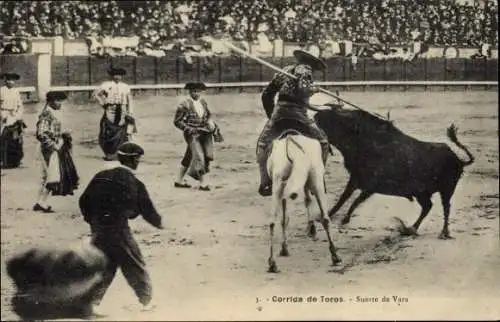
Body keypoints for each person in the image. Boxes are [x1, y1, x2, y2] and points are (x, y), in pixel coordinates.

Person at [79, 142, 164, 314]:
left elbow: (84, 200)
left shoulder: (101, 176)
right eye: (138, 159)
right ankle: (146, 302)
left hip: (98, 229)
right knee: (134, 262)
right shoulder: (132, 181)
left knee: (105, 265)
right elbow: (144, 208)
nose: (138, 162)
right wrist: (159, 223)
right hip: (118, 229)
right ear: (133, 160)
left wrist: (93, 221)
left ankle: (92, 303)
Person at [256, 49, 330, 197]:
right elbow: (303, 91)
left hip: (279, 114)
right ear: (312, 63)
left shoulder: (284, 70)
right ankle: (318, 178)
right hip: (299, 116)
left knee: (263, 143)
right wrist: (314, 89)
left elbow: (267, 94)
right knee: (323, 142)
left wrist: (271, 114)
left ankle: (265, 181)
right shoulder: (306, 71)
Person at [173, 82, 222, 191]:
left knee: (190, 156)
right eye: (194, 91)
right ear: (189, 92)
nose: (196, 93)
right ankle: (203, 183)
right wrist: (188, 129)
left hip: (204, 132)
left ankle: (178, 181)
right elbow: (177, 121)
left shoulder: (203, 102)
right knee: (200, 156)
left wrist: (210, 123)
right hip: (192, 134)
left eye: (198, 91)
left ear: (201, 92)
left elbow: (208, 116)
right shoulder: (184, 104)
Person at [33, 91, 71, 213]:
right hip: (48, 149)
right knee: (51, 176)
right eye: (57, 101)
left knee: (48, 176)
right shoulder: (46, 114)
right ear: (50, 102)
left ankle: (40, 202)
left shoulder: (53, 113)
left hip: (53, 147)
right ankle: (42, 202)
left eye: (61, 101)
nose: (60, 103)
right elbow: (41, 134)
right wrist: (54, 145)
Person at [94, 67, 136, 161]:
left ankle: (119, 153)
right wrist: (103, 103)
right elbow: (96, 95)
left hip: (122, 109)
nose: (117, 77)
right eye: (115, 75)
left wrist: (130, 112)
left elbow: (130, 100)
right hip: (110, 109)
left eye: (119, 75)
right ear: (112, 75)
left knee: (123, 131)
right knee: (108, 130)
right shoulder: (105, 85)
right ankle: (110, 153)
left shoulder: (125, 86)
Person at [0, 72, 26, 168]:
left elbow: (20, 105)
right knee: (3, 137)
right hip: (4, 115)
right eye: (9, 80)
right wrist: (3, 116)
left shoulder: (16, 91)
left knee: (16, 138)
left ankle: (15, 160)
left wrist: (18, 116)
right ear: (5, 80)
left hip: (14, 116)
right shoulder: (1, 90)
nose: (11, 82)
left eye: (13, 80)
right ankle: (4, 160)